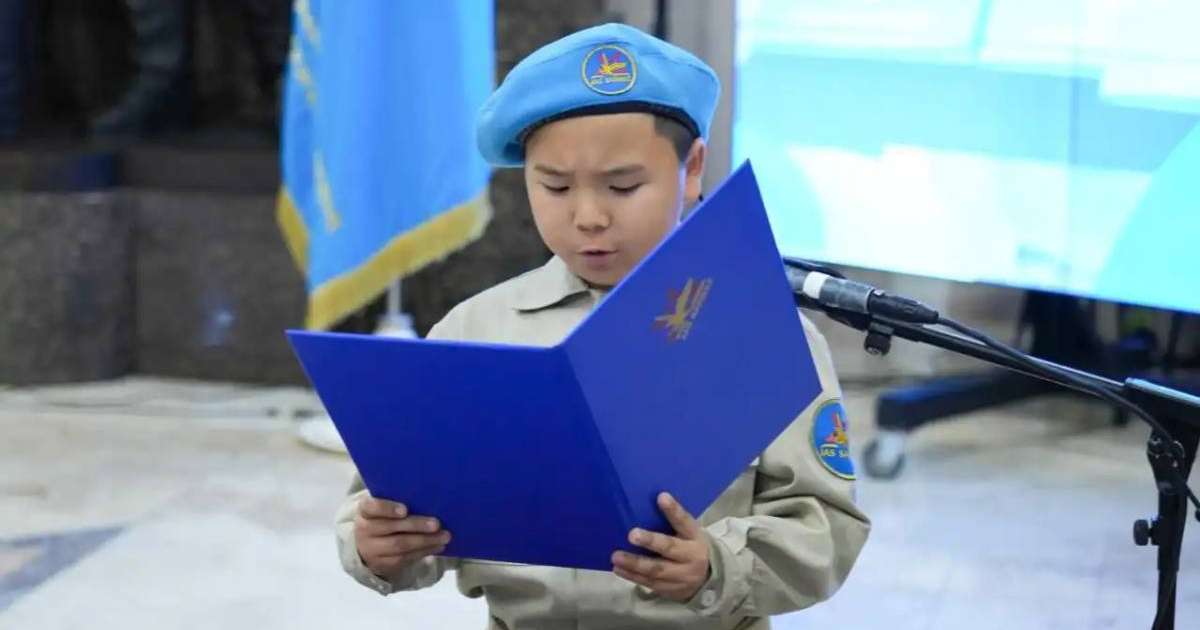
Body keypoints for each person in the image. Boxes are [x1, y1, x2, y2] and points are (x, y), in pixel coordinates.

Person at [334, 22, 870, 630]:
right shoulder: (473, 330)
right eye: (554, 186)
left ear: (692, 170)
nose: (588, 217)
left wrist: (716, 566)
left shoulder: (763, 333)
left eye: (623, 185)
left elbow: (827, 527)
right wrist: (376, 545)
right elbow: (384, 503)